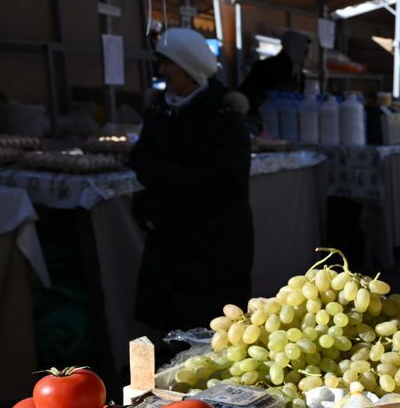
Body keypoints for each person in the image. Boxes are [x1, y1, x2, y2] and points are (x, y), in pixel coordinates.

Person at [130, 28, 253, 332]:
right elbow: (140, 159)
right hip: (169, 235)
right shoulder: (160, 109)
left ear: (189, 68)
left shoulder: (224, 117)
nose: (162, 71)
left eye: (167, 63)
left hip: (213, 241)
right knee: (166, 322)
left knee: (209, 327)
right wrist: (173, 177)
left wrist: (163, 175)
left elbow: (224, 180)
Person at [238, 29, 308, 113]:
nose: (305, 56)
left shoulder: (299, 74)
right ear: (294, 48)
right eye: (305, 51)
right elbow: (247, 93)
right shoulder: (266, 66)